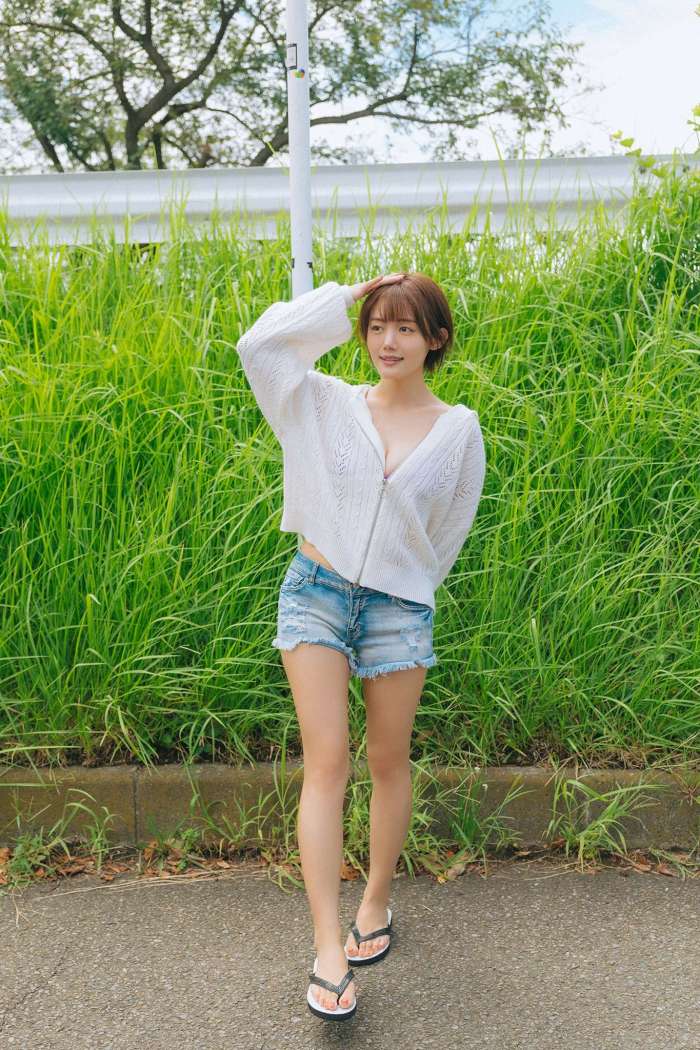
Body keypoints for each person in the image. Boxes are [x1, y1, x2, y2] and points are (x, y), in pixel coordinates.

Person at [236, 272, 486, 1020]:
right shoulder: (322, 402)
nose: (388, 341)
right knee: (327, 763)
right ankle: (326, 948)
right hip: (315, 589)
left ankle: (374, 900)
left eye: (406, 328)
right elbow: (260, 347)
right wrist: (344, 297)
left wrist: (403, 585)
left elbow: (448, 531)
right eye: (377, 326)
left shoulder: (458, 429)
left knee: (387, 761)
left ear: (436, 340)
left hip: (398, 605)